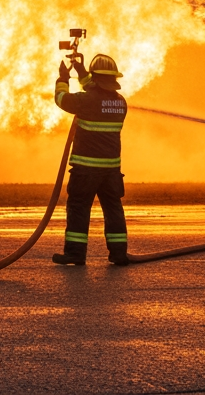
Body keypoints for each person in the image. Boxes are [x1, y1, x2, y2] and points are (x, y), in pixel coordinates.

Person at [51, 52, 129, 266]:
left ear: (96, 78)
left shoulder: (86, 100)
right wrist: (82, 71)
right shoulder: (120, 103)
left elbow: (61, 99)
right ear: (114, 79)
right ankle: (119, 254)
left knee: (78, 208)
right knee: (113, 208)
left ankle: (75, 254)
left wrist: (63, 79)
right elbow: (97, 91)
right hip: (111, 171)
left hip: (86, 170)